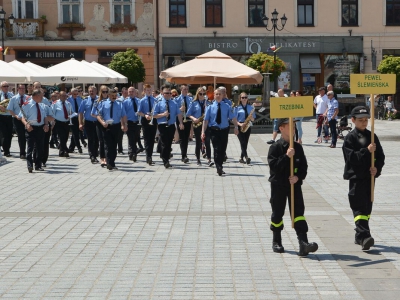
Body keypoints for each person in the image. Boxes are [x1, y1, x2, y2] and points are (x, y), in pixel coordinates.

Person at [267, 118, 319, 256]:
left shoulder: (298, 147)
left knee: (298, 214)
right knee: (277, 213)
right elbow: (274, 167)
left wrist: (298, 177)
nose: (294, 128)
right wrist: (286, 156)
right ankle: (276, 241)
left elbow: (304, 167)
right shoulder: (275, 147)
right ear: (281, 129)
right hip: (278, 185)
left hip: (294, 185)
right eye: (290, 126)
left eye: (294, 126)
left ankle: (303, 243)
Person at [342, 106, 385, 251]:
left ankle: (359, 235)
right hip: (356, 177)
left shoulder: (372, 136)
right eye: (360, 120)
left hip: (369, 178)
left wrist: (376, 168)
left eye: (366, 120)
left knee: (367, 208)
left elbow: (380, 156)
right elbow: (351, 158)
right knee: (359, 208)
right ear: (353, 120)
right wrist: (366, 151)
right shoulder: (350, 138)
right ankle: (366, 236)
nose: (364, 123)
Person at [201, 89, 239, 176]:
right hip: (214, 130)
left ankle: (220, 165)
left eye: (219, 94)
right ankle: (218, 167)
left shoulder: (227, 106)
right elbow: (206, 120)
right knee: (216, 148)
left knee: (223, 149)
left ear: (222, 96)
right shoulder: (210, 107)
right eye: (216, 94)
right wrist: (203, 132)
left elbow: (233, 117)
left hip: (224, 130)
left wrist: (236, 127)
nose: (218, 96)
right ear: (214, 95)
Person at [19, 89, 54, 173]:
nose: (43, 97)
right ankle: (30, 165)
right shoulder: (27, 105)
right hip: (31, 127)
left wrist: (46, 124)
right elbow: (22, 117)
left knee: (40, 147)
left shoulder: (42, 105)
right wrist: (26, 125)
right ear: (36, 96)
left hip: (40, 128)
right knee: (30, 147)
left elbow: (45, 117)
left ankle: (38, 165)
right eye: (41, 96)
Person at [93, 89, 127, 170]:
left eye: (115, 95)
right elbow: (98, 115)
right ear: (108, 95)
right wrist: (102, 123)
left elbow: (124, 115)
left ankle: (112, 162)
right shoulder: (102, 103)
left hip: (116, 126)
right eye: (112, 95)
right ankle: (109, 163)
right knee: (107, 145)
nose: (114, 97)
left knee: (114, 145)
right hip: (106, 126)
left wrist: (124, 125)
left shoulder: (119, 104)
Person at [153, 86, 184, 168]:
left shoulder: (174, 103)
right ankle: (165, 160)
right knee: (164, 142)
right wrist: (163, 114)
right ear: (162, 94)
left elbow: (179, 114)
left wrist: (181, 123)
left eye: (170, 93)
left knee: (169, 143)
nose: (168, 95)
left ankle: (165, 157)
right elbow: (154, 115)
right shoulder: (158, 102)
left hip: (171, 125)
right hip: (162, 124)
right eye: (166, 93)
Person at [137, 84, 158, 165]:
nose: (149, 91)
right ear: (144, 91)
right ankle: (148, 157)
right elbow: (139, 112)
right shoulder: (141, 101)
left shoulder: (155, 100)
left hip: (153, 120)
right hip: (145, 120)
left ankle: (150, 155)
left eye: (150, 90)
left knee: (152, 139)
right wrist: (145, 115)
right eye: (147, 90)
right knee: (146, 139)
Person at [6, 84, 28, 159]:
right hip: (17, 119)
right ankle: (22, 153)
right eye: (21, 88)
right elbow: (10, 109)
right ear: (18, 89)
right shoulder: (14, 98)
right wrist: (15, 116)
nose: (22, 90)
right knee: (21, 136)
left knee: (28, 136)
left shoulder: (28, 98)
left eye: (23, 88)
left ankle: (29, 151)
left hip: (26, 119)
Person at [187, 87, 207, 166]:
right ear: (197, 94)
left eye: (203, 94)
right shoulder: (193, 102)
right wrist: (194, 119)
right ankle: (198, 158)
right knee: (198, 141)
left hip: (205, 123)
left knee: (207, 141)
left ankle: (208, 157)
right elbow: (188, 114)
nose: (202, 95)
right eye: (200, 94)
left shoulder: (207, 102)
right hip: (197, 123)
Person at [79, 86, 99, 164]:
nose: (91, 92)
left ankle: (95, 153)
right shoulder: (85, 100)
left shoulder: (99, 100)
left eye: (93, 91)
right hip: (88, 122)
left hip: (98, 122)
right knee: (90, 139)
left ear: (96, 91)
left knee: (97, 139)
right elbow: (80, 112)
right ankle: (92, 156)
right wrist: (80, 123)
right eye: (90, 91)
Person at [235, 92, 255, 164]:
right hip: (240, 126)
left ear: (247, 99)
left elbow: (253, 119)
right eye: (242, 97)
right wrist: (240, 124)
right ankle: (246, 157)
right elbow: (234, 119)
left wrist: (252, 118)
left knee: (245, 143)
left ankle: (241, 158)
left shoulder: (251, 107)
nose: (244, 99)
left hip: (248, 126)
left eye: (245, 97)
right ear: (240, 99)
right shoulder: (237, 108)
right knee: (242, 142)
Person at [52, 91, 74, 158]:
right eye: (63, 96)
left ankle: (61, 152)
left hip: (67, 122)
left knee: (66, 137)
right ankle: (65, 150)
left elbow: (72, 112)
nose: (64, 97)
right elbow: (52, 113)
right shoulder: (55, 103)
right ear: (59, 96)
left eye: (65, 96)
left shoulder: (68, 103)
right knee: (61, 137)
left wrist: (72, 115)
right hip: (59, 122)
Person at [175, 84, 193, 163]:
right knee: (182, 137)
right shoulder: (177, 99)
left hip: (188, 119)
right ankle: (183, 155)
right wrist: (180, 109)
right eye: (184, 89)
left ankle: (185, 153)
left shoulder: (191, 99)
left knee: (186, 137)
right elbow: (174, 110)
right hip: (180, 118)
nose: (186, 90)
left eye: (187, 89)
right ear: (181, 90)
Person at [92, 85, 109, 167]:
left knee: (107, 141)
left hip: (109, 122)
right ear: (101, 92)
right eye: (103, 92)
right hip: (99, 123)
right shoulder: (97, 101)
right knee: (101, 141)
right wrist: (100, 118)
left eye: (106, 92)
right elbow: (93, 113)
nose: (105, 93)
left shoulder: (110, 101)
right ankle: (102, 158)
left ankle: (107, 157)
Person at [123, 87, 141, 162]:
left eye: (132, 91)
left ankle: (131, 153)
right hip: (129, 122)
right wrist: (124, 124)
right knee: (131, 138)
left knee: (136, 138)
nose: (131, 93)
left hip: (137, 122)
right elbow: (123, 114)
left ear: (135, 92)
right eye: (129, 91)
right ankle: (133, 153)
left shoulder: (139, 101)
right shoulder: (125, 102)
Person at [0, 81, 14, 157]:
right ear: (1, 87)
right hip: (1, 116)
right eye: (4, 86)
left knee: (9, 134)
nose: (6, 88)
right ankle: (6, 150)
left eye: (7, 86)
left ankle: (7, 148)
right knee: (4, 134)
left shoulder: (11, 94)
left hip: (9, 116)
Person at [67, 88, 83, 154]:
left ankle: (71, 148)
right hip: (72, 117)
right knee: (75, 133)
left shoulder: (80, 99)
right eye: (74, 94)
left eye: (77, 93)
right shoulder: (68, 100)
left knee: (76, 133)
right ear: (71, 93)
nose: (76, 95)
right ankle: (79, 147)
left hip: (78, 117)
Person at [117, 87, 128, 154]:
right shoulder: (119, 100)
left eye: (127, 92)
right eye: (125, 92)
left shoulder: (128, 99)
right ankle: (120, 149)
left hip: (127, 118)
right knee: (120, 135)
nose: (126, 93)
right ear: (122, 92)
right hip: (120, 119)